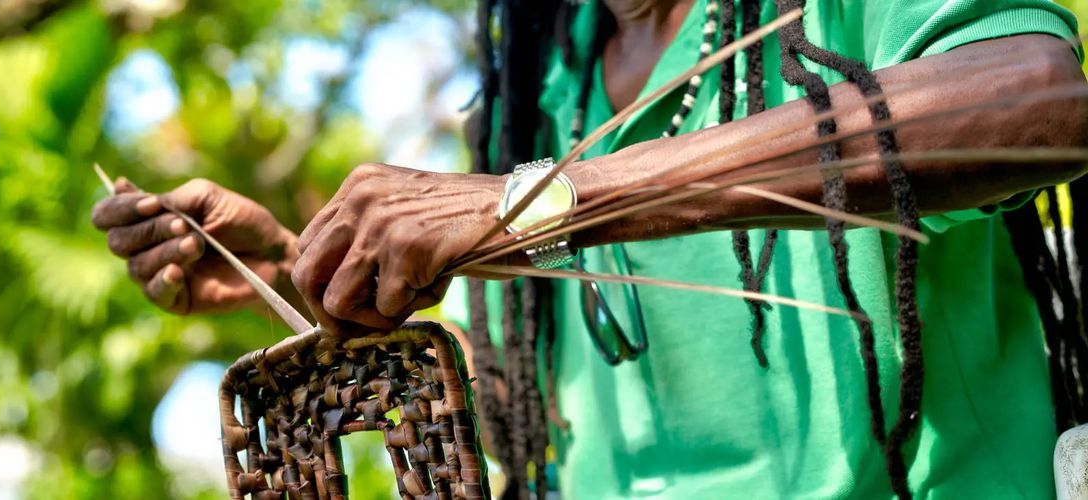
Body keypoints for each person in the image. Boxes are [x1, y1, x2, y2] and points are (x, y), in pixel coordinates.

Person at [93, 0, 1088, 497]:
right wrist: (294, 270)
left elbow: (1037, 102)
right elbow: (515, 388)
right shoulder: (546, 82)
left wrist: (544, 202)